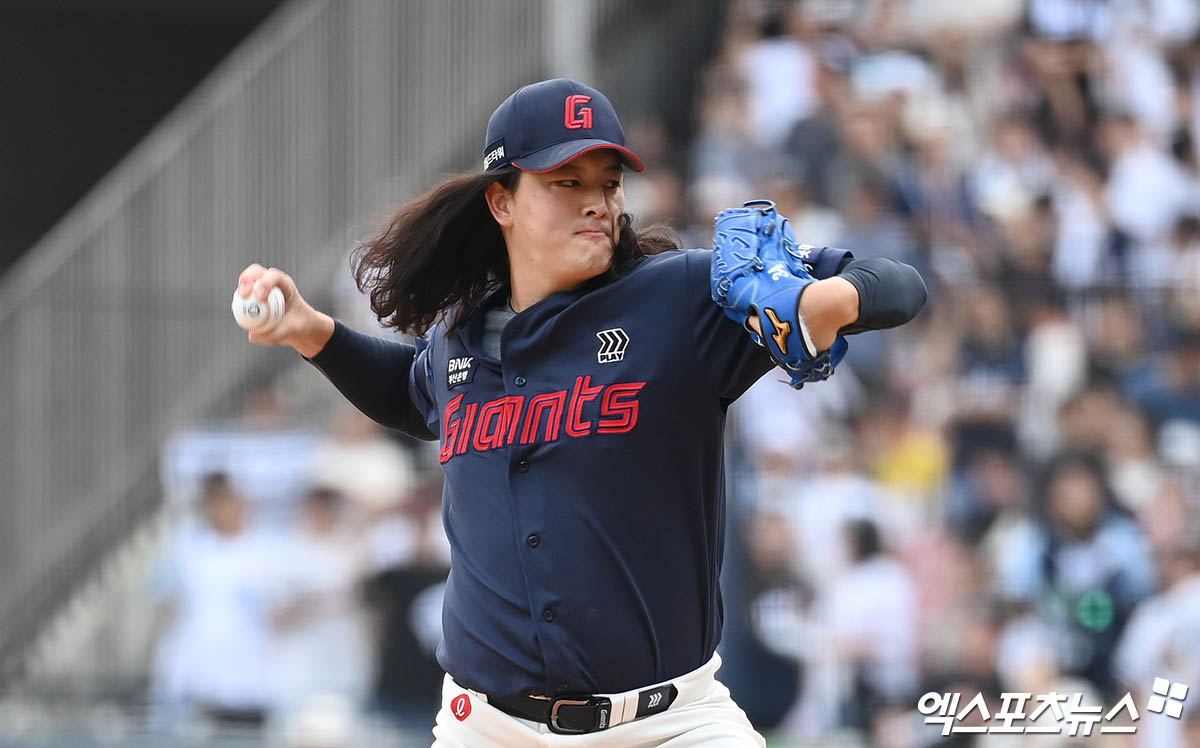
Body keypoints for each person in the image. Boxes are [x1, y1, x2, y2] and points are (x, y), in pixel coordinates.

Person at [235, 78, 926, 746]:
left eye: (607, 183)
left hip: (668, 723)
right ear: (501, 202)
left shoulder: (679, 299)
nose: (596, 202)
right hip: (489, 728)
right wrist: (309, 331)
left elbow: (900, 284)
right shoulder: (461, 338)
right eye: (567, 182)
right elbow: (416, 397)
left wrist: (826, 304)